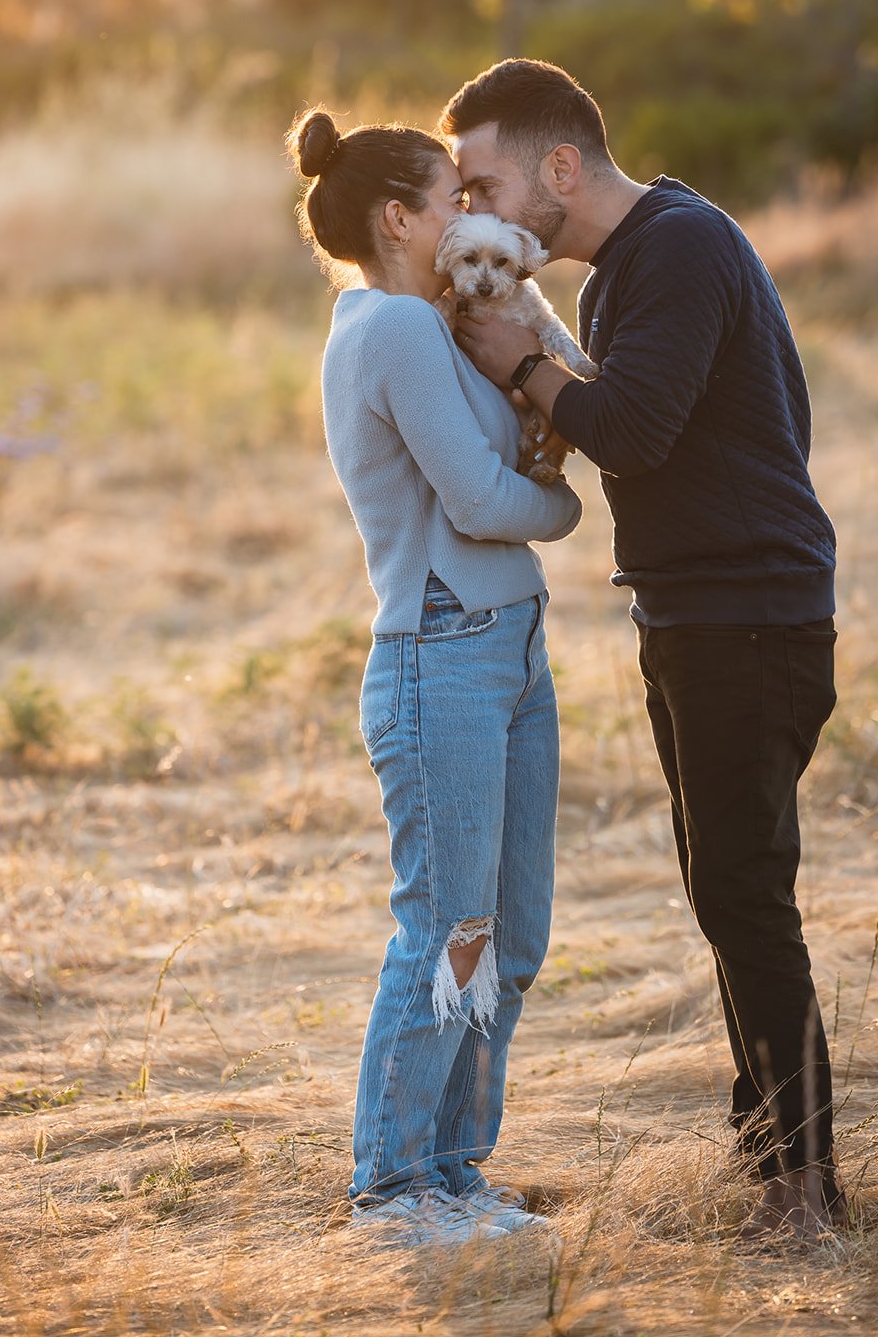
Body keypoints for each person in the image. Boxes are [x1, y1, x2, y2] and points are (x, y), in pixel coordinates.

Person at [440, 59, 844, 1245]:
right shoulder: (638, 262)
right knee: (729, 897)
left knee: (743, 898)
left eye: (483, 182)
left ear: (560, 167)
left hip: (746, 619)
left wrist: (517, 360)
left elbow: (630, 430)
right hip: (700, 613)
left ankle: (802, 1194)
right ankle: (776, 1163)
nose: (471, 211)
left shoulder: (673, 248)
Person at [288, 105, 581, 1246]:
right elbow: (481, 500)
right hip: (442, 650)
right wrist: (561, 506)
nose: (474, 210)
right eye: (453, 199)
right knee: (451, 929)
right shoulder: (392, 332)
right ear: (399, 218)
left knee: (510, 934)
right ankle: (394, 1185)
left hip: (502, 646)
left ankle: (456, 1170)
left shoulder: (438, 322)